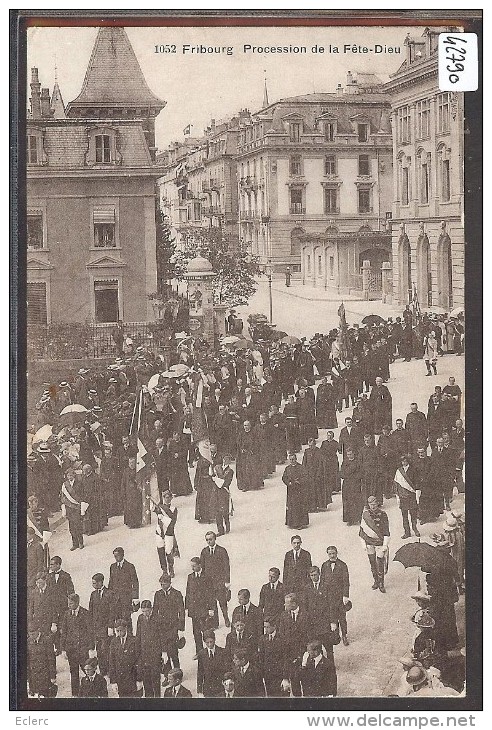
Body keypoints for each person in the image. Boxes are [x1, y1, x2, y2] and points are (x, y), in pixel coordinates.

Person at [59, 593, 94, 697]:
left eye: (71, 603)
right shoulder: (66, 614)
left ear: (77, 603)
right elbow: (64, 632)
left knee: (87, 671)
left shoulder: (85, 613)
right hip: (71, 650)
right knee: (73, 672)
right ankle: (75, 695)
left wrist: (91, 648)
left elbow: (90, 632)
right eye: (68, 603)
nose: (69, 605)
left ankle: (92, 692)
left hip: (83, 649)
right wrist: (63, 649)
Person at [278, 593, 310, 697]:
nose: (284, 605)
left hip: (303, 652)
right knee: (295, 681)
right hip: (290, 654)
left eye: (287, 603)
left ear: (294, 603)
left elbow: (310, 635)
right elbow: (282, 634)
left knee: (306, 681)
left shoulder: (306, 615)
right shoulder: (284, 615)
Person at [88, 572, 119, 678]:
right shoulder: (93, 594)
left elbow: (113, 611)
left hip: (106, 628)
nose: (93, 585)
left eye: (95, 583)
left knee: (107, 650)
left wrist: (111, 626)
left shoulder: (110, 594)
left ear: (101, 582)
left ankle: (111, 671)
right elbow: (91, 611)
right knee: (99, 651)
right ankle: (103, 670)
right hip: (97, 628)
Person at [153, 573, 186, 672]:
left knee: (173, 651)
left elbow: (181, 612)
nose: (162, 586)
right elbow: (155, 610)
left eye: (164, 584)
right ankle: (168, 674)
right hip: (162, 628)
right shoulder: (158, 594)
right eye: (161, 584)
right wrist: (156, 623)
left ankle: (177, 671)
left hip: (173, 627)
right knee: (164, 652)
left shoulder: (177, 594)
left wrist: (181, 629)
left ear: (169, 583)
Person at [200, 531, 231, 629]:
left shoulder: (222, 551)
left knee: (223, 602)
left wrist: (226, 581)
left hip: (220, 582)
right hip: (209, 583)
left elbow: (226, 566)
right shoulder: (204, 552)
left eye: (210, 539)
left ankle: (226, 618)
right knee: (212, 604)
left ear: (215, 539)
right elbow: (203, 568)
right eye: (207, 540)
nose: (209, 541)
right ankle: (215, 623)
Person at [185, 557, 216, 654]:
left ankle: (209, 650)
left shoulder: (207, 576)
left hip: (204, 609)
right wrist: (187, 607)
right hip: (194, 610)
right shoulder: (190, 577)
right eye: (191, 566)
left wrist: (211, 608)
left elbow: (211, 594)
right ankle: (199, 652)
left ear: (199, 565)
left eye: (194, 566)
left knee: (206, 632)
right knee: (196, 632)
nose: (192, 568)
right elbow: (188, 593)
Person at [320, 546, 350, 646]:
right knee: (331, 615)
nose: (332, 555)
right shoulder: (324, 565)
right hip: (328, 595)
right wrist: (322, 593)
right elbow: (322, 580)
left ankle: (344, 635)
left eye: (333, 553)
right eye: (330, 554)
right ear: (327, 554)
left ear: (337, 553)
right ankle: (335, 635)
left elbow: (346, 581)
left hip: (339, 596)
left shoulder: (342, 565)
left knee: (341, 616)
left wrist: (345, 595)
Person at [359, 496, 390, 593]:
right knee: (372, 563)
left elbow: (386, 530)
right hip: (369, 542)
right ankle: (376, 581)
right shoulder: (365, 515)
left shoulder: (383, 514)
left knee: (380, 562)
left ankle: (381, 583)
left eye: (374, 504)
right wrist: (363, 544)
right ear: (368, 505)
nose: (373, 506)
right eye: (371, 505)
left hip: (380, 542)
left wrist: (385, 544)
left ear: (377, 503)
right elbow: (362, 531)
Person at [135, 600, 165, 697]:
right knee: (146, 680)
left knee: (155, 679)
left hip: (155, 654)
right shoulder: (140, 618)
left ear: (151, 609)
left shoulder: (158, 618)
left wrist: (163, 652)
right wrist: (137, 652)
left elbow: (162, 636)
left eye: (147, 611)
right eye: (143, 611)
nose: (145, 614)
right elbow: (138, 635)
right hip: (144, 654)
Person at [47, 556, 75, 654]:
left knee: (64, 626)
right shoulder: (49, 576)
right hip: (52, 605)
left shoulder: (66, 576)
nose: (50, 566)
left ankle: (65, 647)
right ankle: (58, 647)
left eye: (52, 564)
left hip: (63, 606)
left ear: (58, 564)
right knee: (54, 626)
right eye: (50, 564)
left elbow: (71, 591)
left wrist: (69, 604)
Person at [108, 547, 140, 631]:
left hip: (126, 599)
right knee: (117, 620)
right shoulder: (113, 567)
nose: (116, 558)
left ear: (122, 555)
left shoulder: (130, 566)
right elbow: (110, 582)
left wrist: (135, 598)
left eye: (117, 555)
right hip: (115, 599)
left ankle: (129, 637)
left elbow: (135, 583)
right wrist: (109, 596)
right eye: (115, 556)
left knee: (126, 619)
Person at [108, 618, 140, 698]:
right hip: (120, 679)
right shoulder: (114, 642)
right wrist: (113, 681)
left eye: (121, 630)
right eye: (117, 631)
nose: (119, 633)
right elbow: (112, 662)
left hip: (132, 678)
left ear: (126, 629)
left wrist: (139, 680)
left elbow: (139, 661)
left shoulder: (134, 640)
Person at [196, 629, 229, 698]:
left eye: (211, 642)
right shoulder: (202, 654)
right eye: (207, 642)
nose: (209, 644)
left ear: (215, 640)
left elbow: (227, 669)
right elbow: (200, 672)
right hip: (208, 688)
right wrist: (199, 690)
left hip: (220, 687)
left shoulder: (222, 652)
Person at [394, 455, 421, 539]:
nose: (404, 463)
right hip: (402, 496)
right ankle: (407, 532)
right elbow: (396, 483)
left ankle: (415, 528)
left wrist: (417, 493)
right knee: (404, 516)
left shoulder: (413, 470)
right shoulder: (398, 471)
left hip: (411, 495)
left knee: (413, 514)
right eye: (402, 461)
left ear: (408, 461)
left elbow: (417, 482)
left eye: (405, 461)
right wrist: (398, 495)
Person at [258, 617, 285, 697]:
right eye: (264, 627)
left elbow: (285, 658)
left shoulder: (282, 638)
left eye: (268, 627)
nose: (265, 629)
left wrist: (285, 676)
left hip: (279, 673)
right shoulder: (262, 639)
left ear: (274, 626)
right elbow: (261, 657)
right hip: (267, 673)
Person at [282, 452, 309, 530]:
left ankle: (300, 523)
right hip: (291, 491)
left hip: (299, 491)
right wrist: (289, 483)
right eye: (290, 459)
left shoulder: (301, 467)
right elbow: (284, 478)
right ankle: (291, 523)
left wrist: (299, 482)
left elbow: (305, 477)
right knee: (291, 506)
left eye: (293, 459)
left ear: (296, 459)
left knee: (299, 506)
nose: (292, 461)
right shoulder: (287, 468)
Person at [154, 492, 179, 577]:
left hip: (169, 533)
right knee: (161, 551)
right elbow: (152, 508)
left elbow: (172, 523)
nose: (167, 499)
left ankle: (171, 569)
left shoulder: (173, 509)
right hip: (159, 533)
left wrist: (163, 518)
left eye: (169, 497)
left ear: (171, 498)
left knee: (169, 552)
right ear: (163, 498)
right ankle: (164, 570)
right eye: (166, 497)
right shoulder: (159, 507)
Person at [61, 468, 85, 551]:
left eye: (71, 475)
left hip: (77, 507)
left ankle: (81, 542)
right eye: (68, 475)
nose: (69, 477)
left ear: (74, 475)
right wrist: (66, 504)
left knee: (78, 525)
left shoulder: (79, 483)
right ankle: (75, 544)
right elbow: (63, 496)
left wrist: (79, 504)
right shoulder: (64, 485)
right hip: (69, 508)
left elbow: (82, 494)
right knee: (71, 527)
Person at [236, 421, 264, 491]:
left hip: (252, 453)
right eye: (245, 425)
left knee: (252, 468)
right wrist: (242, 449)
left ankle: (254, 485)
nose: (246, 427)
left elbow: (257, 443)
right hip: (243, 455)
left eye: (247, 425)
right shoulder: (241, 434)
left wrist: (251, 450)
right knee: (244, 469)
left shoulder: (254, 434)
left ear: (250, 426)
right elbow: (238, 443)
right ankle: (245, 485)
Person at [340, 449, 363, 526]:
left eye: (351, 454)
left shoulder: (358, 462)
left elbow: (361, 473)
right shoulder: (345, 462)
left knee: (357, 501)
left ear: (354, 454)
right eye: (348, 454)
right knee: (347, 502)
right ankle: (349, 519)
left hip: (356, 484)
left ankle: (358, 518)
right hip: (347, 484)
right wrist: (349, 474)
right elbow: (342, 474)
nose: (349, 456)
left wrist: (351, 475)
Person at [302, 437, 325, 512]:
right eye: (309, 445)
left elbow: (321, 464)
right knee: (308, 492)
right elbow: (304, 463)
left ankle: (315, 507)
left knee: (315, 491)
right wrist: (304, 473)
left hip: (316, 475)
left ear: (315, 445)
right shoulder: (306, 451)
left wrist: (318, 474)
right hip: (308, 474)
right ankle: (309, 507)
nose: (310, 447)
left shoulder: (319, 451)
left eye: (311, 445)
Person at [212, 456, 233, 536]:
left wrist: (217, 479)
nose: (225, 461)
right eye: (224, 459)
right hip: (216, 492)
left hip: (224, 492)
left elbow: (226, 482)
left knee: (224, 511)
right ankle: (220, 530)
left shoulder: (230, 471)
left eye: (227, 460)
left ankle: (227, 525)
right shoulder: (217, 467)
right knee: (217, 511)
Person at [167, 431, 193, 496]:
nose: (175, 438)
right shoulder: (171, 443)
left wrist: (179, 455)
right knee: (175, 477)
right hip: (174, 463)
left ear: (179, 436)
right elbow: (169, 451)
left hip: (182, 462)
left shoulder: (183, 443)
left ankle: (185, 491)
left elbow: (185, 451)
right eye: (174, 437)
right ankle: (176, 491)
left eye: (176, 437)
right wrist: (174, 455)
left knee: (183, 476)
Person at [320, 431, 340, 499]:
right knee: (327, 474)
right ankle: (328, 488)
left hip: (333, 460)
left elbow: (339, 450)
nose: (329, 437)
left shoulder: (335, 443)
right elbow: (321, 451)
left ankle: (334, 488)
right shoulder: (324, 443)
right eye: (328, 435)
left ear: (333, 436)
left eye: (331, 435)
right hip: (326, 460)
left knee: (334, 474)